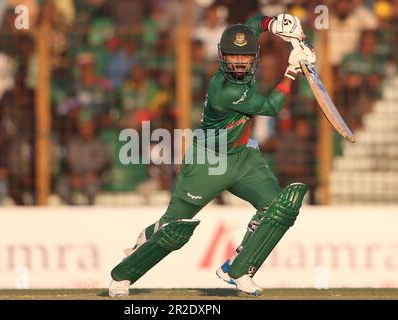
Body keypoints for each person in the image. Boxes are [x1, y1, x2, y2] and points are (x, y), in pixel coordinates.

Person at [108, 13, 315, 297]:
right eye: (232, 57)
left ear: (253, 56)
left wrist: (277, 24)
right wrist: (292, 71)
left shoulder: (243, 59)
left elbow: (252, 23)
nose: (239, 62)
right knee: (174, 231)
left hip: (242, 156)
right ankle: (122, 276)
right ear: (222, 57)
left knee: (279, 209)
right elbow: (270, 107)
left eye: (244, 57)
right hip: (209, 160)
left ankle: (239, 270)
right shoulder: (225, 90)